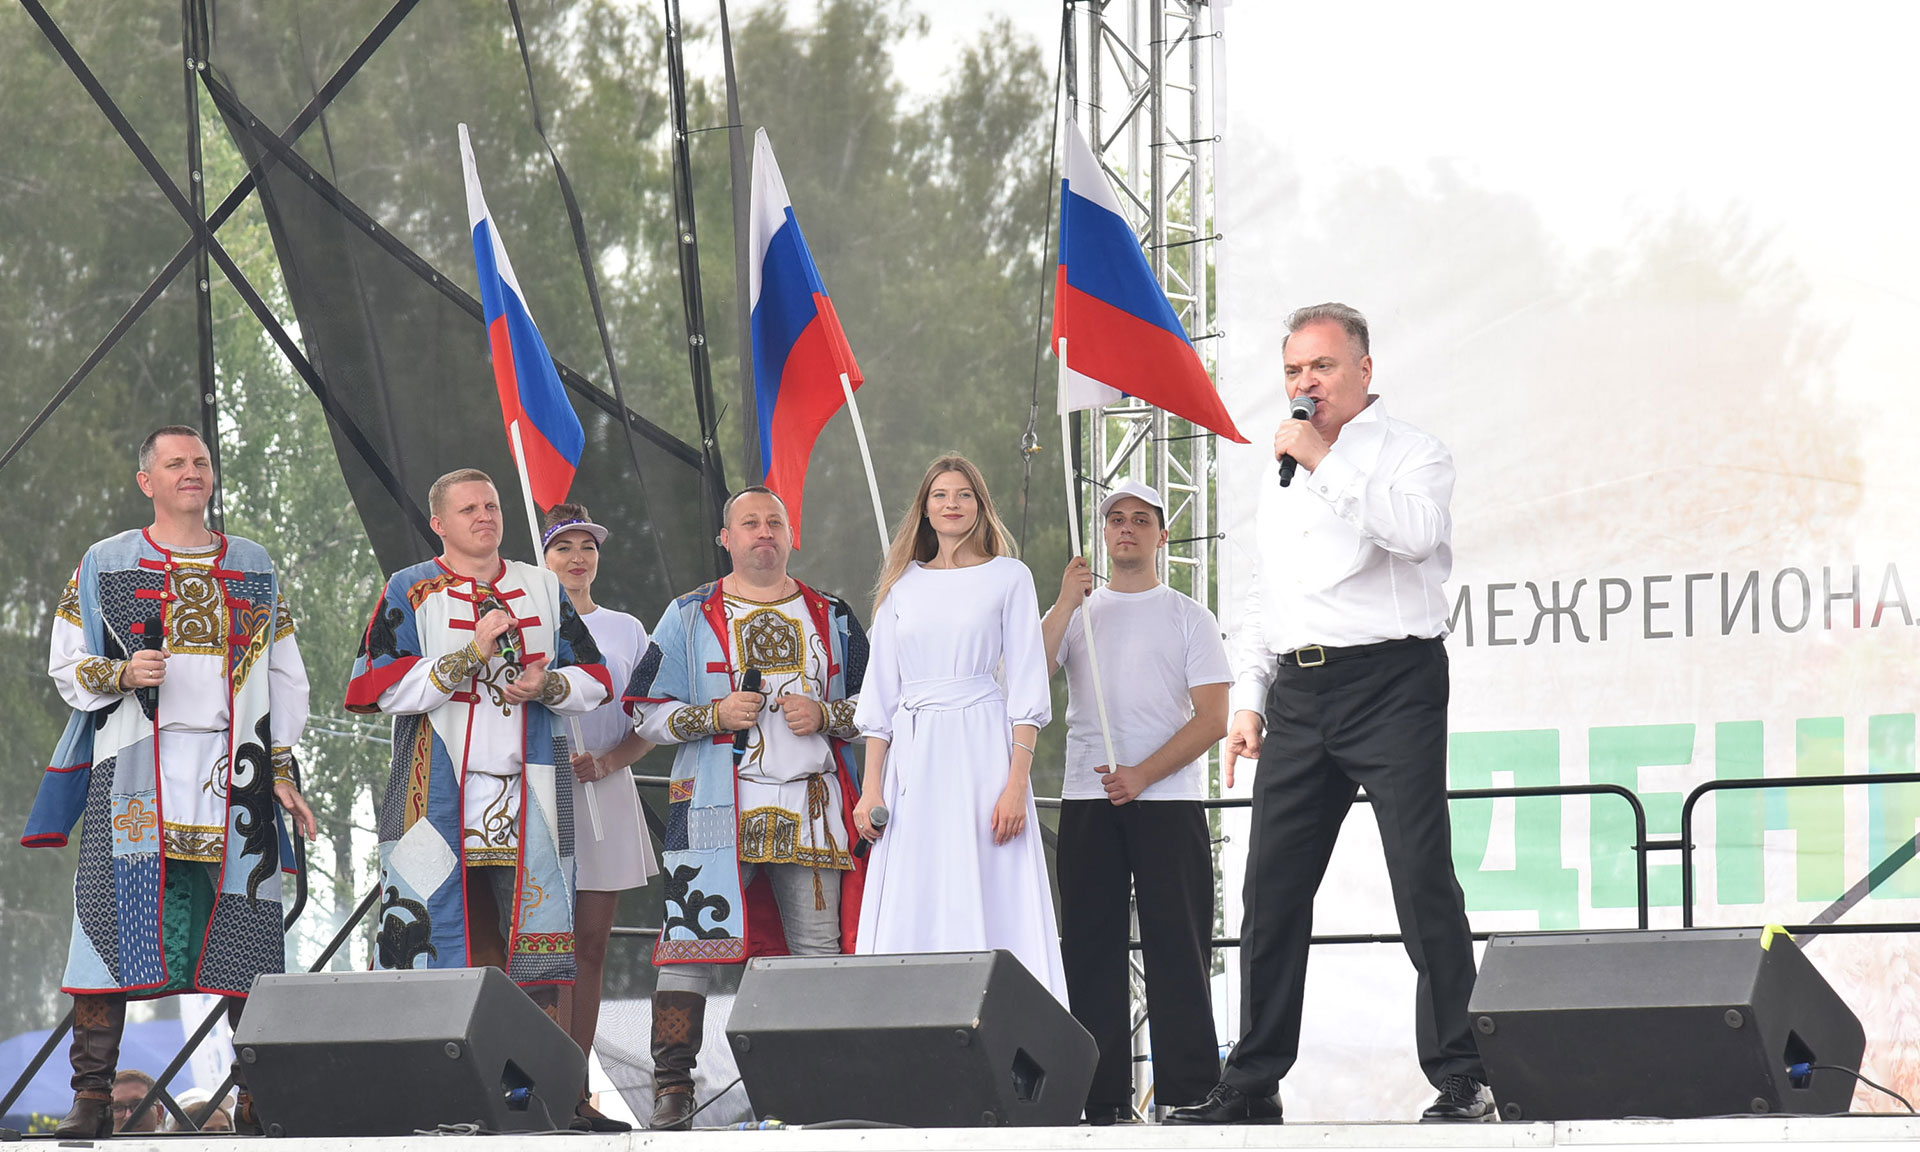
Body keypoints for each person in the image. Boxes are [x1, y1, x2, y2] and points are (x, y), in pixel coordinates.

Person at [1168, 303, 1489, 1125]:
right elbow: (1264, 593)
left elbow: (1415, 536)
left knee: (1421, 880)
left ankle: (1464, 1076)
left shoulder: (1412, 452)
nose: (1304, 383)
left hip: (1393, 683)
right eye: (1293, 371)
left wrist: (1323, 460)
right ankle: (1252, 1082)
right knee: (1270, 891)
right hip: (1300, 692)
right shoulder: (1279, 469)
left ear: (1364, 370)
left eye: (1321, 366)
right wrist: (1249, 699)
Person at [22, 425, 318, 1139]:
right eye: (176, 463)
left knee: (249, 935)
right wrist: (122, 672)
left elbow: (284, 674)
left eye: (201, 462)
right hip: (133, 768)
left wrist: (280, 766)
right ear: (146, 481)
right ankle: (93, 1099)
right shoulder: (107, 561)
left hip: (233, 770)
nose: (192, 472)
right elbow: (66, 662)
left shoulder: (252, 563)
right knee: (107, 930)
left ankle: (260, 1100)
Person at [344, 469, 613, 1109]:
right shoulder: (410, 588)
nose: (485, 516)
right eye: (469, 509)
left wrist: (548, 685)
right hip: (433, 798)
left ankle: (538, 1098)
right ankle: (430, 1096)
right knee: (426, 940)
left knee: (539, 949)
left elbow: (597, 679)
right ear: (439, 523)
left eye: (491, 505)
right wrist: (468, 655)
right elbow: (377, 687)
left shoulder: (542, 585)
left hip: (532, 794)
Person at [623, 486, 867, 1130]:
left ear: (791, 534)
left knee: (817, 952)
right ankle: (673, 1089)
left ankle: (816, 1088)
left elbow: (879, 708)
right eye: (750, 522)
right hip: (712, 807)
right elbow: (644, 711)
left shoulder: (833, 615)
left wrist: (827, 714)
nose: (764, 532)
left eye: (774, 522)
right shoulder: (687, 614)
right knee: (690, 946)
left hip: (811, 805)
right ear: (725, 538)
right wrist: (715, 714)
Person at [1041, 479, 1229, 1124]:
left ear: (1161, 535)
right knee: (1089, 947)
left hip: (1167, 800)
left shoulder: (1189, 615)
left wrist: (1143, 775)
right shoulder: (1078, 612)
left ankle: (1191, 1094)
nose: (1126, 528)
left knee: (1179, 945)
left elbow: (1214, 718)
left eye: (1141, 519)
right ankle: (1100, 1100)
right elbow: (1028, 680)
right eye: (1116, 518)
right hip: (1087, 795)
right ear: (1103, 533)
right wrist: (1064, 601)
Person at [852, 455, 1064, 1002]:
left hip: (982, 754)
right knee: (917, 888)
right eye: (941, 494)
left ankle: (1002, 1015)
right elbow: (880, 696)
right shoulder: (901, 586)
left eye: (964, 494)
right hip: (915, 762)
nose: (953, 503)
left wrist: (1016, 785)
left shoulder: (1009, 577)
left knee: (989, 882)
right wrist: (871, 788)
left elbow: (1027, 691)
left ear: (980, 505)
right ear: (924, 508)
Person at [541, 502, 658, 1132]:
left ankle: (575, 1093)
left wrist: (609, 761)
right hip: (536, 796)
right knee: (538, 948)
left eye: (587, 547)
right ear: (543, 558)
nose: (577, 558)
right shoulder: (524, 623)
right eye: (564, 547)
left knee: (589, 946)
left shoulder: (626, 629)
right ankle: (533, 1090)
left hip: (603, 792)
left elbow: (652, 718)